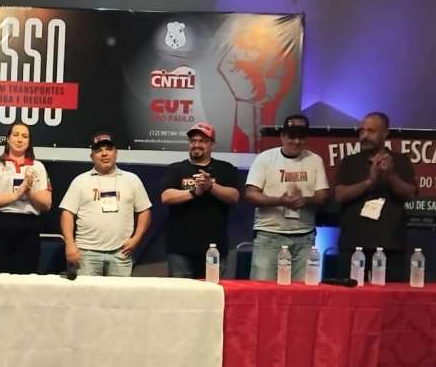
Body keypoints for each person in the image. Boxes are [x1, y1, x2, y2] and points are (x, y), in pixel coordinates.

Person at [244, 114, 329, 281]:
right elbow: (251, 195)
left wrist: (305, 200)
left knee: (302, 291)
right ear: (282, 136)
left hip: (304, 237)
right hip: (269, 235)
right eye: (291, 136)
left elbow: (323, 196)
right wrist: (280, 201)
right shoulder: (265, 158)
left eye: (301, 137)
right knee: (263, 290)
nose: (296, 141)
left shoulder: (314, 160)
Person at [335, 112, 417, 282]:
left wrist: (391, 175)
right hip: (353, 244)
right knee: (350, 296)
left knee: (390, 296)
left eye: (371, 131)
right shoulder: (349, 162)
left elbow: (410, 193)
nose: (365, 136)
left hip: (390, 245)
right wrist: (370, 181)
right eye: (362, 131)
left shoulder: (400, 161)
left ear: (385, 133)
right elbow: (340, 195)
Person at [60, 132, 152, 277]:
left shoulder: (132, 180)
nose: (104, 154)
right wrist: (70, 244)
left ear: (116, 153)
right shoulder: (80, 181)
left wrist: (137, 238)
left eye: (108, 149)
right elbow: (67, 213)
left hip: (121, 253)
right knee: (87, 292)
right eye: (98, 150)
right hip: (86, 253)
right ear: (92, 156)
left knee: (119, 292)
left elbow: (144, 211)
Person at [160, 122, 241, 278]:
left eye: (202, 141)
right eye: (193, 141)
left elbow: (234, 196)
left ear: (212, 144)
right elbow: (166, 196)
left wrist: (211, 186)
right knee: (181, 292)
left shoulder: (225, 168)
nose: (197, 144)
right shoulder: (176, 168)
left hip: (214, 248)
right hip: (180, 249)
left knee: (213, 291)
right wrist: (195, 192)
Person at [0, 122, 52, 273]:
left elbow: (46, 203)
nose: (20, 139)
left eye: (25, 136)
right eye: (15, 135)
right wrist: (16, 195)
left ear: (29, 141)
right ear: (8, 139)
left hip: (28, 229)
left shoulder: (38, 167)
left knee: (24, 279)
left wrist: (29, 192)